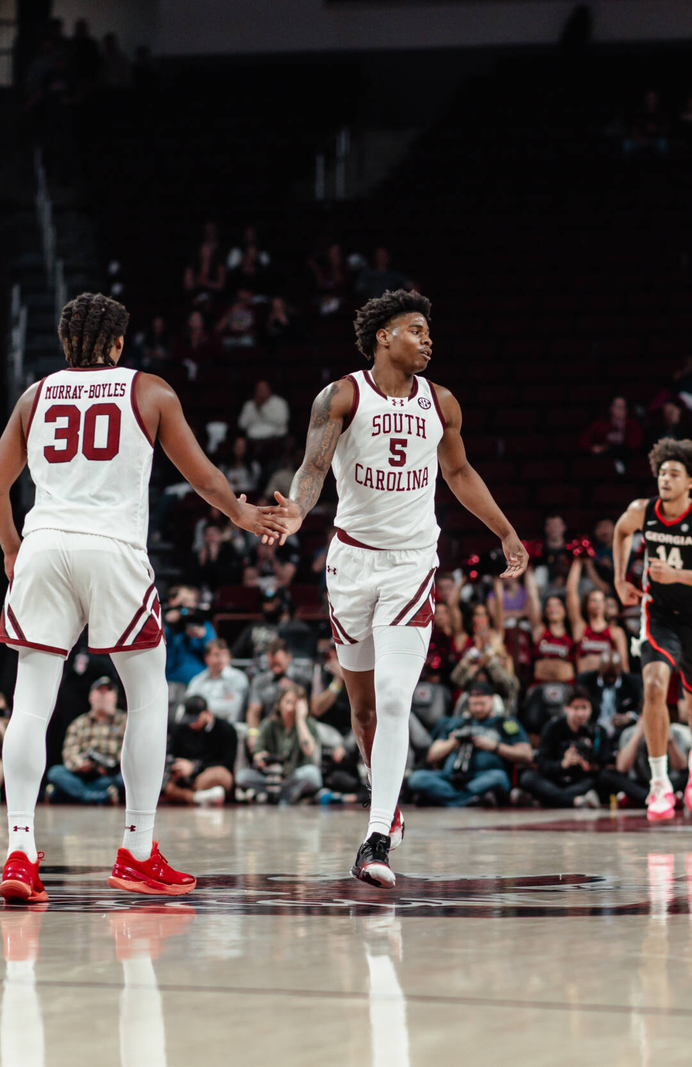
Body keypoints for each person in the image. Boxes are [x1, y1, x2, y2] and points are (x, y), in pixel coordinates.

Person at [0, 292, 266, 901]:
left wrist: (11, 549)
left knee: (31, 702)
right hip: (112, 550)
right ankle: (137, 849)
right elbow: (206, 480)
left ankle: (19, 852)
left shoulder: (35, 396)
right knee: (147, 696)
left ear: (65, 344)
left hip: (44, 545)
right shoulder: (151, 390)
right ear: (116, 343)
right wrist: (242, 516)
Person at [260, 288, 529, 887]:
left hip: (412, 563)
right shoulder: (343, 395)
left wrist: (505, 530)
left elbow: (458, 472)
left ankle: (376, 837)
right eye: (416, 329)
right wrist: (299, 514)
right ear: (384, 336)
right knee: (363, 711)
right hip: (350, 564)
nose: (428, 339)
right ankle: (389, 802)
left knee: (394, 696)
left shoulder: (443, 403)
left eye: (429, 331)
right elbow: (311, 468)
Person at [612, 438, 692, 821]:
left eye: (674, 474)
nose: (665, 479)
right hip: (659, 613)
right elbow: (620, 532)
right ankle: (660, 784)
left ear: (691, 482)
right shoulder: (642, 510)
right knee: (653, 686)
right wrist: (620, 579)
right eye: (662, 472)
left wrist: (678, 574)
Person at [407, 679, 531, 807]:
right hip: (451, 777)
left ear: (492, 700)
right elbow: (432, 756)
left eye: (482, 704)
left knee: (498, 778)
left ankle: (447, 798)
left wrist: (495, 746)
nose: (478, 709)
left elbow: (526, 755)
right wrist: (452, 742)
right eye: (474, 704)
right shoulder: (457, 723)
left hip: (483, 776)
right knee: (416, 778)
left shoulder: (505, 723)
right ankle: (467, 800)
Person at [521, 687, 648, 807]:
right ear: (566, 708)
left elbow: (603, 763)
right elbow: (543, 765)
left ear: (591, 709)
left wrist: (589, 766)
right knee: (528, 777)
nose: (581, 713)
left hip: (583, 782)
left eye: (584, 708)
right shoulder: (552, 728)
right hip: (556, 780)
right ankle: (575, 800)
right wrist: (563, 764)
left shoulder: (598, 731)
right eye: (575, 708)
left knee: (607, 777)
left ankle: (647, 798)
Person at [234, 683, 321, 804]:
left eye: (295, 704)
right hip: (271, 776)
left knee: (313, 774)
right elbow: (257, 751)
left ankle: (274, 795)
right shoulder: (269, 724)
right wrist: (261, 758)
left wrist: (300, 720)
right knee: (242, 776)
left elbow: (309, 750)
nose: (290, 708)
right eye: (287, 702)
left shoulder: (309, 724)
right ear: (280, 703)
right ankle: (287, 795)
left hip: (294, 776)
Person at [47, 677, 127, 804]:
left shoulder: (124, 721)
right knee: (56, 773)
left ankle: (78, 795)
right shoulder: (79, 723)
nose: (103, 695)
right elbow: (69, 752)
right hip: (82, 775)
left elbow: (129, 752)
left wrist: (111, 764)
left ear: (115, 697)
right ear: (91, 697)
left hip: (110, 775)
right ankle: (99, 796)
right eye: (99, 691)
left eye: (108, 691)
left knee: (125, 779)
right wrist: (80, 764)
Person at [163, 694, 235, 806]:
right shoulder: (181, 728)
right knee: (166, 785)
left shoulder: (226, 729)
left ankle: (191, 796)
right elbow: (171, 753)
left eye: (196, 719)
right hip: (184, 776)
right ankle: (198, 797)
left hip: (208, 772)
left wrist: (195, 767)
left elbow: (227, 762)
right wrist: (177, 766)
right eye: (189, 719)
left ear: (207, 713)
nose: (192, 723)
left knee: (221, 775)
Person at [568, 558, 629, 672]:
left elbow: (624, 666)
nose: (598, 604)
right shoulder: (580, 628)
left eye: (601, 601)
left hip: (607, 683)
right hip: (584, 684)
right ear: (586, 605)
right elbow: (571, 593)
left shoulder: (616, 632)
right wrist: (577, 559)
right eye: (594, 600)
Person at [181, 638, 249, 724]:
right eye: (216, 655)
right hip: (200, 726)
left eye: (224, 655)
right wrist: (220, 704)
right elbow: (188, 705)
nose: (221, 659)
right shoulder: (198, 680)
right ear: (206, 658)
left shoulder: (238, 678)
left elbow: (232, 710)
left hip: (228, 727)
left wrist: (201, 706)